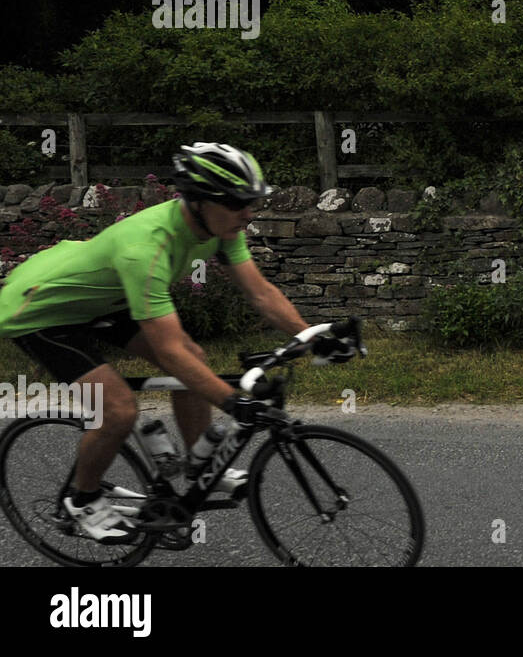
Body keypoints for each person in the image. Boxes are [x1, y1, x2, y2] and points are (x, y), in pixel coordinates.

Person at [0, 143, 323, 543]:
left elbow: (261, 294)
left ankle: (197, 464)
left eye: (252, 202)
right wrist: (232, 401)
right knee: (118, 410)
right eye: (239, 203)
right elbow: (167, 349)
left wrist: (309, 337)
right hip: (42, 312)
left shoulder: (220, 227)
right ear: (199, 201)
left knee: (194, 358)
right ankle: (81, 501)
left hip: (104, 299)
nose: (249, 214)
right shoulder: (147, 247)